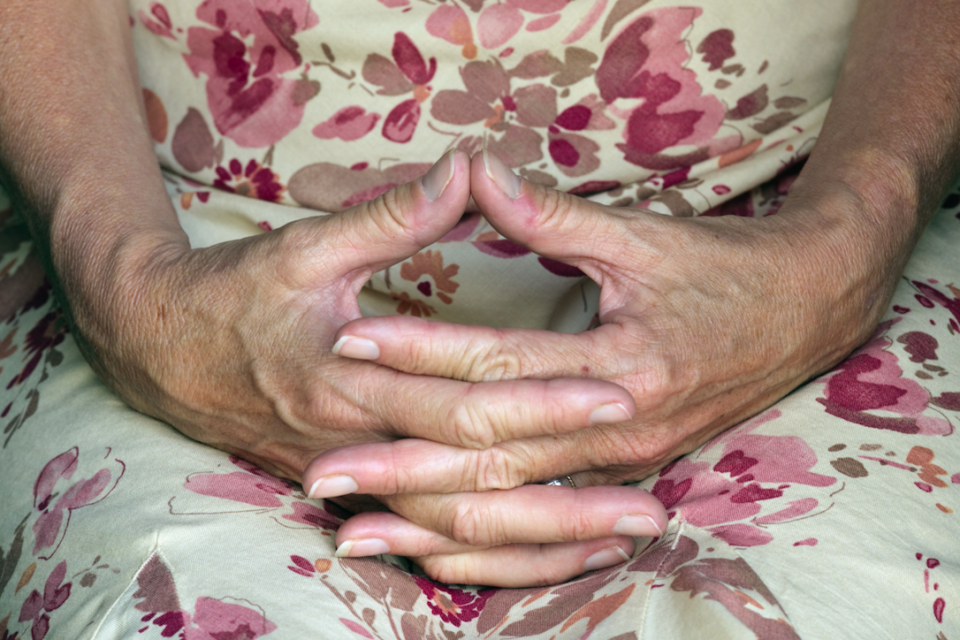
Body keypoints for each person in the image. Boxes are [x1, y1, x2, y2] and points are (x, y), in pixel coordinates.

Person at [0, 0, 958, 638]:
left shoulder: (820, 259)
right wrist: (129, 284)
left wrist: (843, 247)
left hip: (779, 245)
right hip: (188, 251)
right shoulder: (149, 279)